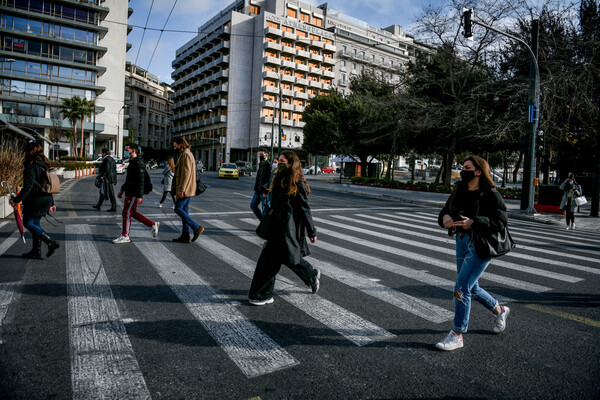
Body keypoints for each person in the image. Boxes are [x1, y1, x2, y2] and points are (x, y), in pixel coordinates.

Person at [436, 155, 510, 351]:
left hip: (480, 245)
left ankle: (457, 334)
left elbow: (501, 221)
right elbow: (446, 209)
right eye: (462, 167)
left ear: (478, 171)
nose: (463, 170)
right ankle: (499, 310)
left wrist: (475, 221)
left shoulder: (490, 193)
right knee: (472, 287)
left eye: (467, 167)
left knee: (461, 287)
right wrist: (445, 218)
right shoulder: (459, 189)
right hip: (461, 241)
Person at [248, 150, 320, 306]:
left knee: (271, 262)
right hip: (276, 226)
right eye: (278, 160)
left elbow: (304, 209)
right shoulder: (279, 177)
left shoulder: (297, 182)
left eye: (282, 161)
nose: (278, 163)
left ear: (290, 163)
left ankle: (261, 294)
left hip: (286, 228)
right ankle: (311, 275)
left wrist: (311, 232)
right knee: (284, 258)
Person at [10, 142, 60, 259]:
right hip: (46, 198)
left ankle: (50, 242)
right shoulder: (45, 164)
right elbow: (48, 184)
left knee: (28, 223)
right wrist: (51, 203)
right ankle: (36, 251)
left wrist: (16, 200)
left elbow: (27, 186)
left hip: (35, 199)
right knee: (35, 223)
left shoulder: (30, 166)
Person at [113, 143, 159, 243]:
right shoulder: (132, 162)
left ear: (133, 151)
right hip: (130, 191)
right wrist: (122, 190)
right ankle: (152, 224)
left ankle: (125, 235)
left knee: (126, 212)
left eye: (127, 150)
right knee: (132, 213)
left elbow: (141, 180)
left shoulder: (138, 162)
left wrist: (139, 195)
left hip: (134, 192)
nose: (125, 152)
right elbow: (129, 179)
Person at [172, 137, 204, 243]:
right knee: (184, 210)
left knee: (178, 209)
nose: (175, 148)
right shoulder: (187, 153)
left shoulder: (185, 155)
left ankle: (196, 227)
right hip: (188, 188)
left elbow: (186, 173)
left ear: (181, 144)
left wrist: (181, 189)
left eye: (175, 146)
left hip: (185, 188)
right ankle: (185, 236)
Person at [250, 150, 272, 220]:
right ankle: (263, 222)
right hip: (257, 190)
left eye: (262, 155)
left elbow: (270, 179)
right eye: (259, 155)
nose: (260, 156)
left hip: (264, 191)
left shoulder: (269, 165)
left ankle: (264, 226)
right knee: (253, 206)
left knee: (265, 210)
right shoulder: (261, 164)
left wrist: (266, 189)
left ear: (267, 155)